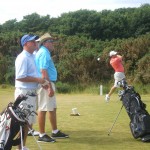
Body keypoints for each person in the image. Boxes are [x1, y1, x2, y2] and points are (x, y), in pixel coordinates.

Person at [15, 34, 48, 150]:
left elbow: (35, 73)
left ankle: (23, 146)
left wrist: (41, 83)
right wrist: (38, 80)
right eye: (32, 41)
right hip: (24, 93)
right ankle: (21, 147)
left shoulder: (33, 56)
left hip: (32, 92)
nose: (35, 42)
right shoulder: (22, 57)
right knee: (23, 123)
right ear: (25, 44)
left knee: (28, 123)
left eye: (35, 41)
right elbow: (20, 77)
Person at [35, 33, 69, 143]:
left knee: (52, 108)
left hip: (47, 82)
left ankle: (55, 131)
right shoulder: (44, 52)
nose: (52, 43)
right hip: (45, 83)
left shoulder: (43, 52)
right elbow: (43, 71)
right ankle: (42, 134)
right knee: (43, 109)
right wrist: (49, 87)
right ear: (45, 43)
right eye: (50, 41)